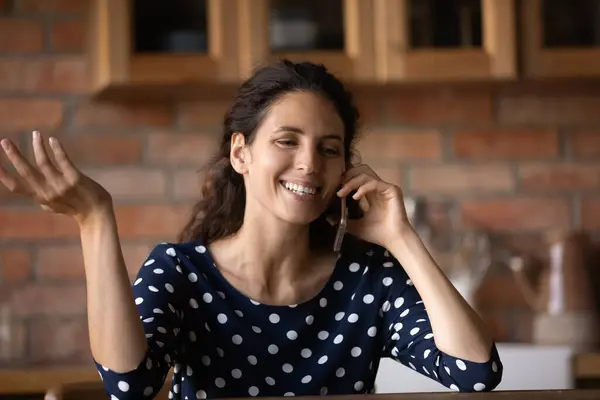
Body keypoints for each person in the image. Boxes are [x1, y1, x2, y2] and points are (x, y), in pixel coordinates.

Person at [0, 60, 502, 399]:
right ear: (240, 152)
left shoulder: (368, 278)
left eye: (329, 149)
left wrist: (401, 238)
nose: (309, 164)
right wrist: (94, 218)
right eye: (287, 140)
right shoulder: (180, 273)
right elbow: (129, 387)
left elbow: (477, 374)